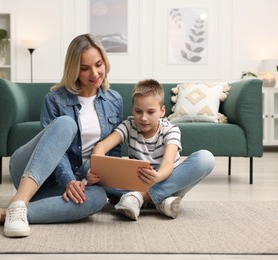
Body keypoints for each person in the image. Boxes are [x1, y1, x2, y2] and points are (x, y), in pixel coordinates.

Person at [0, 33, 123, 237]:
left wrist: (102, 179)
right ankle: (21, 199)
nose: (94, 73)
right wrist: (68, 180)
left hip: (73, 183)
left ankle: (4, 214)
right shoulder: (55, 99)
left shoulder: (114, 100)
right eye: (84, 68)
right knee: (66, 124)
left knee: (97, 198)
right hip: (33, 171)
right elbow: (55, 150)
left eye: (98, 64)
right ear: (74, 69)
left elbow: (114, 151)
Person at [88, 79, 215, 221]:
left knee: (205, 158)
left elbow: (167, 165)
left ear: (162, 111)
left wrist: (157, 177)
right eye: (138, 111)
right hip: (137, 183)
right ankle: (161, 202)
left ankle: (140, 198)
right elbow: (102, 146)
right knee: (90, 172)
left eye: (150, 112)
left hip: (168, 182)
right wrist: (96, 169)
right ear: (133, 109)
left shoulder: (171, 130)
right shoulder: (129, 125)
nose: (143, 118)